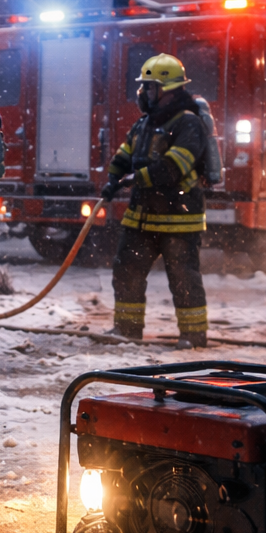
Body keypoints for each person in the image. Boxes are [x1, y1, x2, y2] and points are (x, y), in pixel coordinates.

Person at [101, 53, 210, 349]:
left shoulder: (189, 124)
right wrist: (113, 178)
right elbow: (125, 155)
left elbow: (175, 166)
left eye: (149, 87)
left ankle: (193, 336)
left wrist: (138, 178)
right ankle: (127, 329)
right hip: (142, 216)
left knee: (183, 278)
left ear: (167, 89)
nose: (144, 93)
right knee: (126, 271)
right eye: (144, 87)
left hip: (179, 216)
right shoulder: (145, 123)